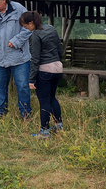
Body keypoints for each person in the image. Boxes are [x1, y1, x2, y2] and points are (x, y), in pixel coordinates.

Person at [20, 11, 64, 139]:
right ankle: (58, 125)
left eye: (25, 26)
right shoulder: (51, 28)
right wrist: (59, 60)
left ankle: (44, 131)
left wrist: (31, 79)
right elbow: (59, 48)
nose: (25, 28)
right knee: (52, 98)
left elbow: (35, 59)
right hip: (57, 67)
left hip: (44, 70)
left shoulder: (35, 35)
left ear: (31, 23)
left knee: (44, 101)